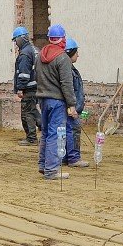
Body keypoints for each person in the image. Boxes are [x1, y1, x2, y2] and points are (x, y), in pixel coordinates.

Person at [32, 24, 77, 180]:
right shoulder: (63, 58)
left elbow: (36, 77)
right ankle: (51, 170)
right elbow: (67, 83)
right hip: (57, 102)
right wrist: (71, 105)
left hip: (43, 100)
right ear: (63, 39)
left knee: (45, 133)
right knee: (55, 135)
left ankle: (43, 165)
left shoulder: (40, 56)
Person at [12, 26, 39, 145]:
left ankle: (31, 138)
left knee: (27, 113)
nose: (15, 43)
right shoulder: (35, 50)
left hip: (29, 88)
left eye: (15, 40)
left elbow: (23, 74)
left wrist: (20, 88)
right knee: (34, 112)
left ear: (20, 39)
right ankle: (47, 131)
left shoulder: (24, 54)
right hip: (37, 87)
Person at [63, 37, 86, 166]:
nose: (78, 55)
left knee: (67, 131)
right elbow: (69, 90)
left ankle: (66, 157)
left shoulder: (68, 69)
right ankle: (73, 158)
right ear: (70, 52)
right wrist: (72, 107)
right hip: (71, 109)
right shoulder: (68, 71)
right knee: (72, 130)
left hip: (70, 107)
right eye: (76, 52)